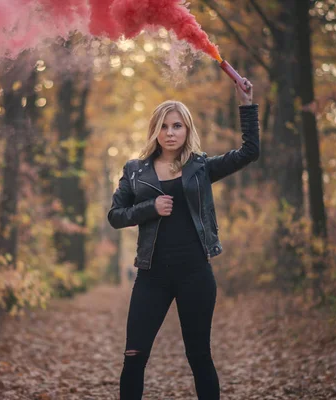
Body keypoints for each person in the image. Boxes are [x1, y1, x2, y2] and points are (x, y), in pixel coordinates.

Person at [107, 78, 259, 399]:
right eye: (164, 126)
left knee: (199, 357)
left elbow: (249, 151)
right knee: (134, 356)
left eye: (177, 126)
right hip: (151, 277)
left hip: (195, 275)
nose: (171, 132)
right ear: (155, 131)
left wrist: (246, 103)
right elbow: (116, 215)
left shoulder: (200, 168)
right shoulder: (135, 171)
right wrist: (150, 207)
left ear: (187, 130)